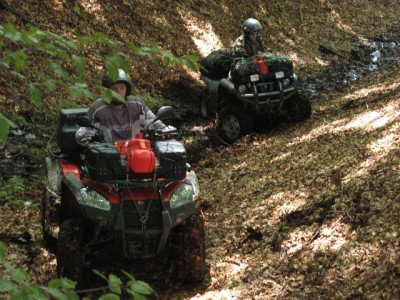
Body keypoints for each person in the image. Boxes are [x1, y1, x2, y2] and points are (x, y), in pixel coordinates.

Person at [76, 69, 167, 145]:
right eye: (114, 88)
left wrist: (164, 131)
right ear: (107, 90)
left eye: (121, 88)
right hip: (108, 155)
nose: (118, 92)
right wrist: (86, 136)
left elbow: (152, 121)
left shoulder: (137, 104)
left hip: (136, 152)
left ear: (127, 90)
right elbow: (81, 134)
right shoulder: (98, 108)